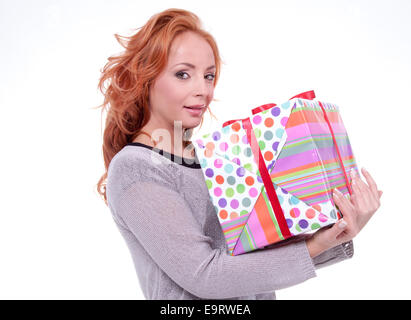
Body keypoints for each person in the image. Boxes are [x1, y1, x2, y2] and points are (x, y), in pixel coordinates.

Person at [96, 8, 382, 300]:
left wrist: (338, 230)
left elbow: (253, 258)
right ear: (146, 78)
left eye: (209, 76)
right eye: (183, 74)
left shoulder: (212, 156)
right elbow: (205, 275)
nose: (203, 90)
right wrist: (314, 247)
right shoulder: (136, 168)